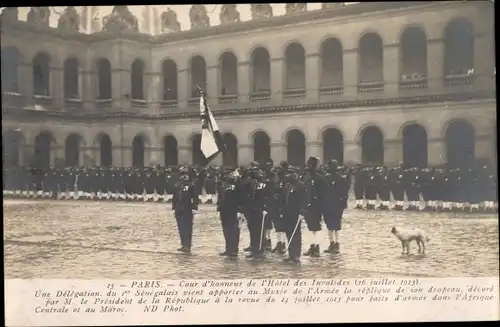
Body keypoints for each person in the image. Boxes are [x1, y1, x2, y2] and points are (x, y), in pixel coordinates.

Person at [281, 166, 307, 263]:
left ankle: (296, 255)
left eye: (291, 173)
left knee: (296, 234)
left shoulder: (301, 185)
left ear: (296, 174)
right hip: (287, 213)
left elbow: (304, 200)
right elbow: (284, 199)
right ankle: (291, 254)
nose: (289, 175)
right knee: (289, 233)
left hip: (296, 214)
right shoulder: (287, 185)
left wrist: (302, 212)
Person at [322, 160, 348, 254]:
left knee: (333, 224)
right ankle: (334, 243)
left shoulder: (330, 178)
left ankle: (334, 243)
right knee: (333, 224)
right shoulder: (339, 178)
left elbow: (344, 192)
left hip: (332, 204)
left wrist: (343, 203)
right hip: (333, 204)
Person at [242, 164, 267, 259]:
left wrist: (265, 207)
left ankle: (259, 248)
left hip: (259, 209)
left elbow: (266, 196)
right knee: (252, 229)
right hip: (250, 209)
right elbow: (244, 192)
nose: (255, 172)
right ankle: (254, 247)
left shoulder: (263, 182)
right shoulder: (249, 182)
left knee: (259, 229)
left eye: (256, 171)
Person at [216, 169, 243, 257]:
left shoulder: (237, 185)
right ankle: (228, 248)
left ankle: (234, 249)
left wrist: (240, 211)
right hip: (224, 211)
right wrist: (219, 209)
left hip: (233, 210)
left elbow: (240, 198)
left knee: (234, 230)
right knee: (226, 230)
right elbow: (220, 198)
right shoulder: (222, 185)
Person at [172, 166, 199, 253]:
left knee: (187, 227)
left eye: (186, 175)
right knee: (181, 227)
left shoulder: (191, 186)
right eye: (182, 175)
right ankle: (183, 244)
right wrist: (174, 208)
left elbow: (195, 197)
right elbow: (174, 198)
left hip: (188, 209)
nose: (184, 177)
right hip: (179, 209)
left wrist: (194, 208)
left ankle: (188, 245)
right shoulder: (177, 186)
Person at [302, 156, 325, 257]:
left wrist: (319, 202)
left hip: (316, 206)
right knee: (310, 227)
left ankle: (316, 247)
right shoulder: (306, 177)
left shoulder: (320, 178)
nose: (308, 167)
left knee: (316, 227)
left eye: (310, 165)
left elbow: (324, 193)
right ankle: (312, 245)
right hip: (307, 205)